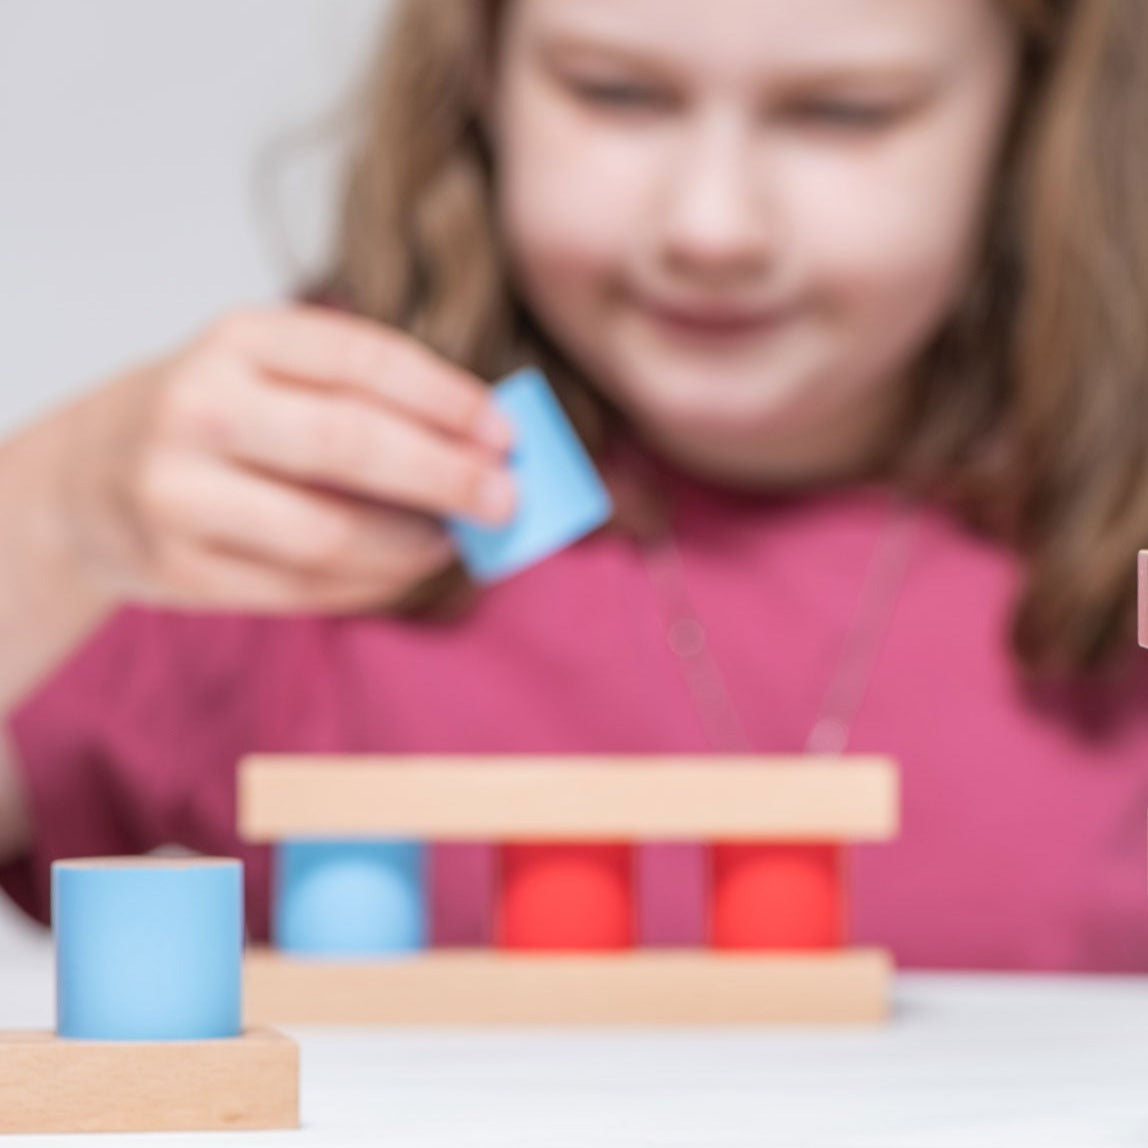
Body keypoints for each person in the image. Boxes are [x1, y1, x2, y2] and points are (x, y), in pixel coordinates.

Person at [1, 0, 1147, 969]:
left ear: (1034, 106)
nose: (710, 227)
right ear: (479, 72)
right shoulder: (285, 483)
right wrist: (50, 520)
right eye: (614, 93)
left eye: (843, 111)